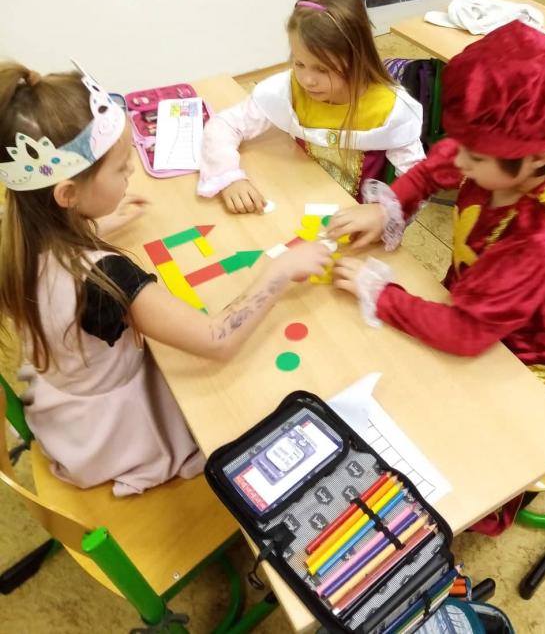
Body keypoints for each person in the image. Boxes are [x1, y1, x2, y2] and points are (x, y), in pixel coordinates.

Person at [327, 22, 545, 532]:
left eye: (475, 156)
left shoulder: (539, 234)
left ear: (535, 158)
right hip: (473, 306)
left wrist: (383, 295)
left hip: (521, 356)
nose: (458, 159)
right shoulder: (495, 155)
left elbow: (467, 334)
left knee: (449, 454)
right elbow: (439, 165)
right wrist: (389, 205)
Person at [0, 63, 330, 497]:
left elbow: (58, 258)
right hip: (114, 433)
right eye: (120, 169)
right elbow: (215, 339)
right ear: (67, 194)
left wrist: (95, 223)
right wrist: (279, 271)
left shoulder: (16, 235)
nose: (130, 175)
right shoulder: (104, 277)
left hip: (64, 404)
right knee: (258, 396)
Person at [198, 0, 425, 211]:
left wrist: (383, 212)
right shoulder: (288, 89)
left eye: (322, 69)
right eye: (299, 63)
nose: (307, 80)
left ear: (357, 57)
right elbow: (224, 124)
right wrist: (229, 177)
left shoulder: (390, 109)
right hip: (299, 199)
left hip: (353, 217)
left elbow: (418, 178)